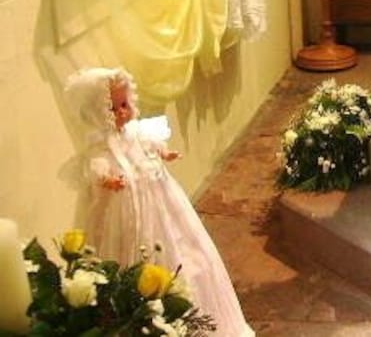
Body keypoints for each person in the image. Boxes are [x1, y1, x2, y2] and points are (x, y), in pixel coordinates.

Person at [66, 68, 253, 337]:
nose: (122, 112)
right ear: (98, 113)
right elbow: (97, 169)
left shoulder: (137, 133)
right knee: (125, 255)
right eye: (113, 108)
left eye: (124, 104)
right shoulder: (101, 147)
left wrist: (165, 153)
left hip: (159, 202)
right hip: (124, 211)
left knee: (181, 244)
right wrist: (108, 180)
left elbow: (152, 145)